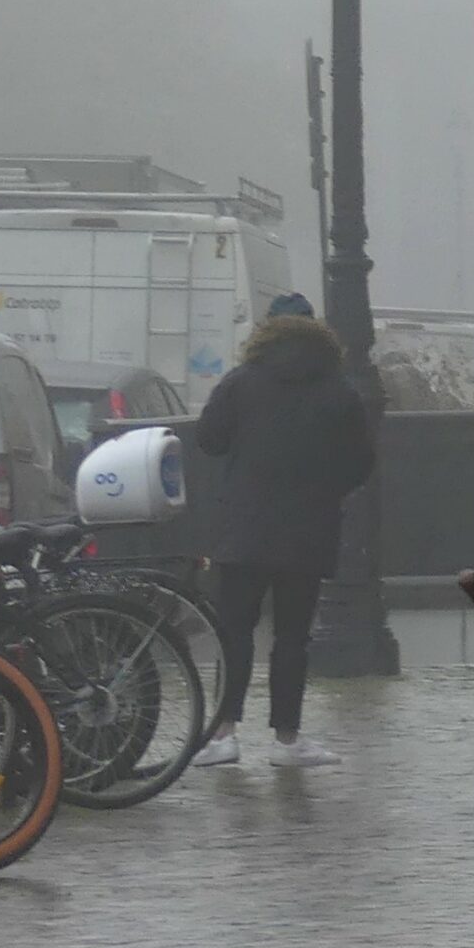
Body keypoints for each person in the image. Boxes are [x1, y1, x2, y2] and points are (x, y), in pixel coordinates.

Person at [190, 293, 373, 770]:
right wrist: (323, 489)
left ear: (267, 330)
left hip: (244, 530)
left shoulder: (241, 383)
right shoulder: (340, 389)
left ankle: (224, 734)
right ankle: (287, 741)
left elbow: (208, 440)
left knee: (234, 632)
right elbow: (361, 462)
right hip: (307, 531)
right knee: (293, 637)